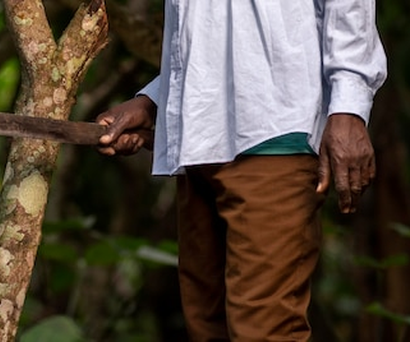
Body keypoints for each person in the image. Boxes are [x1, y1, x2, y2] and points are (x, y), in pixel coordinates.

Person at [95, 1, 387, 341]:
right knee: (206, 327)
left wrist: (350, 105)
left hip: (274, 131)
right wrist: (157, 100)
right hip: (200, 139)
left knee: (264, 330)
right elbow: (207, 24)